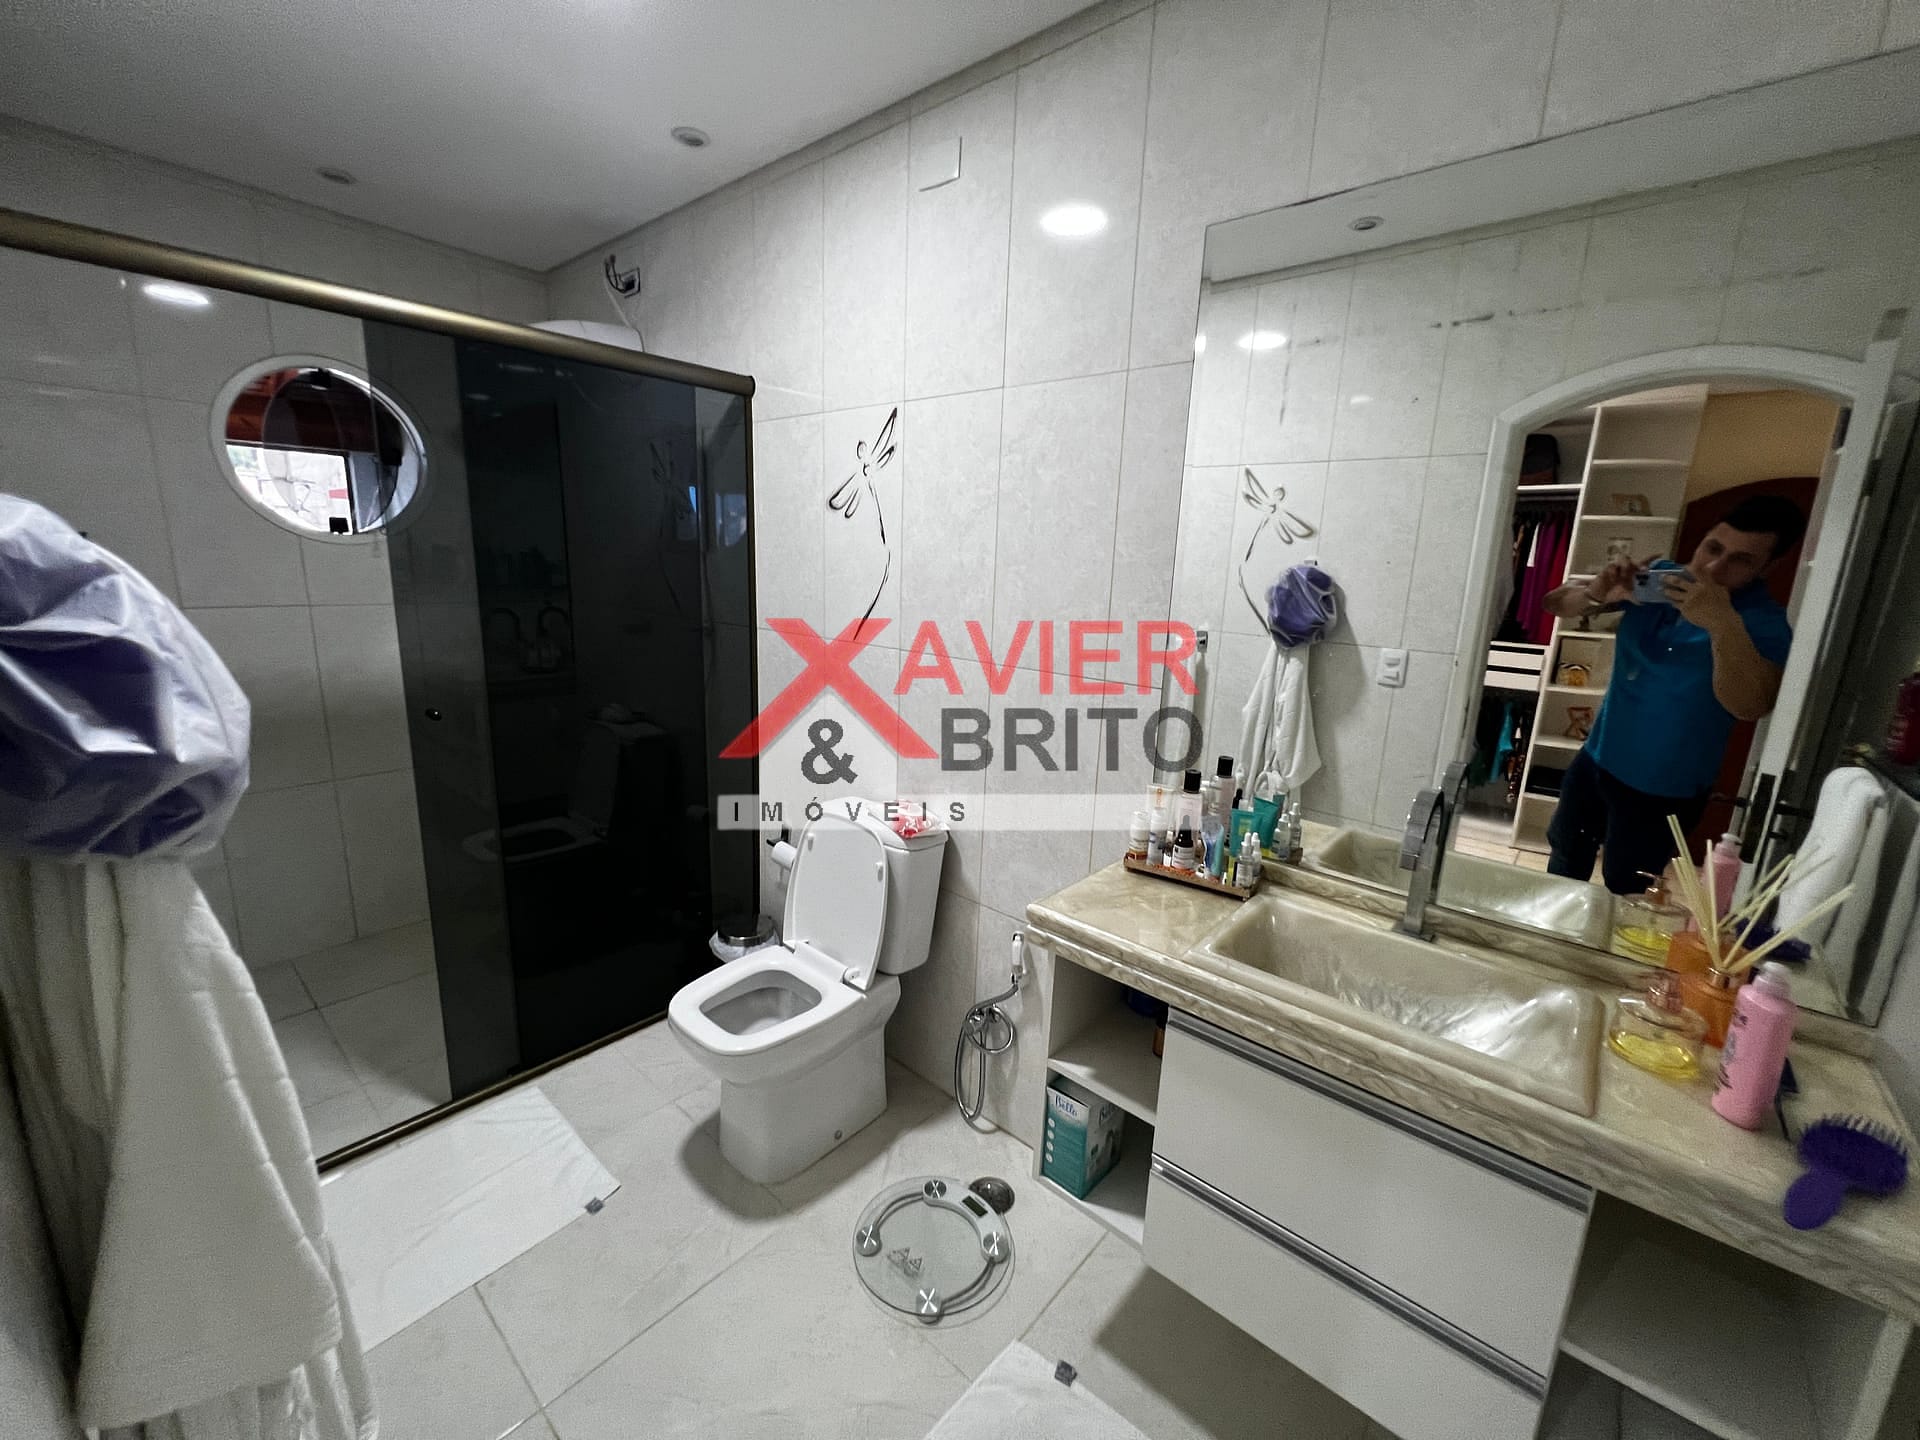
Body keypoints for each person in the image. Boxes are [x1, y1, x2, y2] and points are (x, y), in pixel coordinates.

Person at [1539, 495, 1803, 894]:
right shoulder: (1660, 581)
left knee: (1627, 889)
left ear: (1768, 568)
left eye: (1740, 560)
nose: (1714, 568)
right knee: (1564, 858)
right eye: (1713, 548)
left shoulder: (1764, 625)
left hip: (1664, 790)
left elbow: (1750, 706)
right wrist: (1597, 593)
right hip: (1596, 759)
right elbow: (1554, 603)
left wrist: (1721, 624)